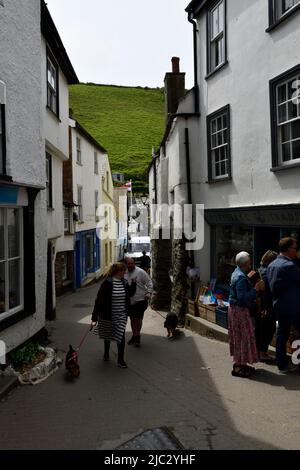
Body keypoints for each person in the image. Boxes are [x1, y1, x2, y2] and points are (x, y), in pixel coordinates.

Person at [91, 263, 136, 368]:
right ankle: (106, 352)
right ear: (117, 271)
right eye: (122, 270)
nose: (124, 272)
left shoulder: (124, 282)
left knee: (121, 335)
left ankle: (120, 360)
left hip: (121, 315)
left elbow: (129, 294)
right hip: (108, 315)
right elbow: (99, 300)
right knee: (108, 334)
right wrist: (94, 316)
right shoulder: (107, 283)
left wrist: (133, 285)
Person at [228, 251, 265, 378]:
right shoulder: (240, 277)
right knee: (243, 337)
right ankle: (238, 366)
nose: (250, 265)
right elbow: (242, 297)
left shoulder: (238, 272)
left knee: (241, 336)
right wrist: (256, 289)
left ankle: (242, 363)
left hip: (236, 309)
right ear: (245, 264)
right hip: (239, 310)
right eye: (249, 262)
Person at [267, 238, 300, 373]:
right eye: (294, 248)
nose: (296, 251)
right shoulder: (289, 266)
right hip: (293, 307)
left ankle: (282, 364)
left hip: (279, 305)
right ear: (288, 249)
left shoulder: (272, 264)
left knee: (282, 335)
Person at [124, 257, 153, 346]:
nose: (131, 265)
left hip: (141, 299)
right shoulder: (124, 273)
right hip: (129, 300)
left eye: (132, 263)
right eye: (129, 264)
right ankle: (134, 335)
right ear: (126, 264)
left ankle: (137, 337)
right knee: (132, 318)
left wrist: (148, 293)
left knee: (138, 318)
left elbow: (149, 283)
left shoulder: (140, 272)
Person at [257, 250, 278, 363]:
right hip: (267, 306)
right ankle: (262, 353)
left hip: (261, 306)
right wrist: (265, 308)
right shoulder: (267, 274)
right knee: (268, 329)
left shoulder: (260, 270)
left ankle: (260, 351)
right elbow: (266, 293)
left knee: (262, 329)